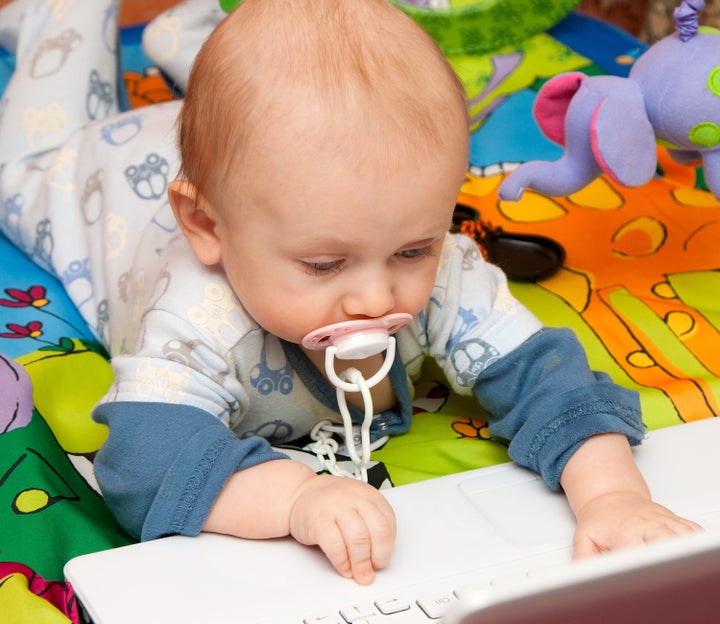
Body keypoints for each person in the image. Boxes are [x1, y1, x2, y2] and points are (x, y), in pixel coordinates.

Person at [0, 0, 701, 587]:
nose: (374, 295)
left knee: (259, 118)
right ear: (208, 226)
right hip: (97, 175)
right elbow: (144, 458)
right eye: (324, 264)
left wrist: (611, 496)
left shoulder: (437, 269)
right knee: (28, 145)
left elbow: (551, 379)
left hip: (256, 168)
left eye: (411, 250)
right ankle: (61, 15)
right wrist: (295, 497)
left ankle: (190, 48)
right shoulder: (195, 313)